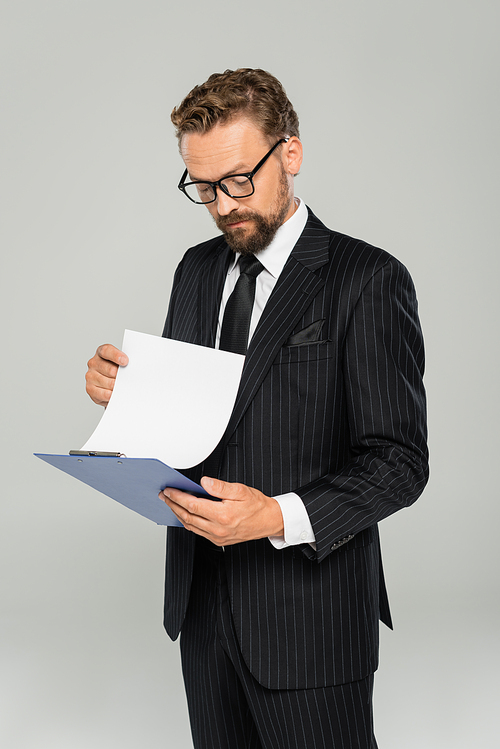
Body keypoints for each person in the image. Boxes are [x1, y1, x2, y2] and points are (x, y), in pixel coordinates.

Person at [86, 68, 428, 749]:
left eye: (238, 180)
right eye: (203, 188)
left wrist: (274, 514)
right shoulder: (196, 269)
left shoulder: (368, 278)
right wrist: (127, 397)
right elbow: (194, 419)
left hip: (311, 620)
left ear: (290, 155)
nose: (222, 205)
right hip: (203, 609)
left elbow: (399, 461)